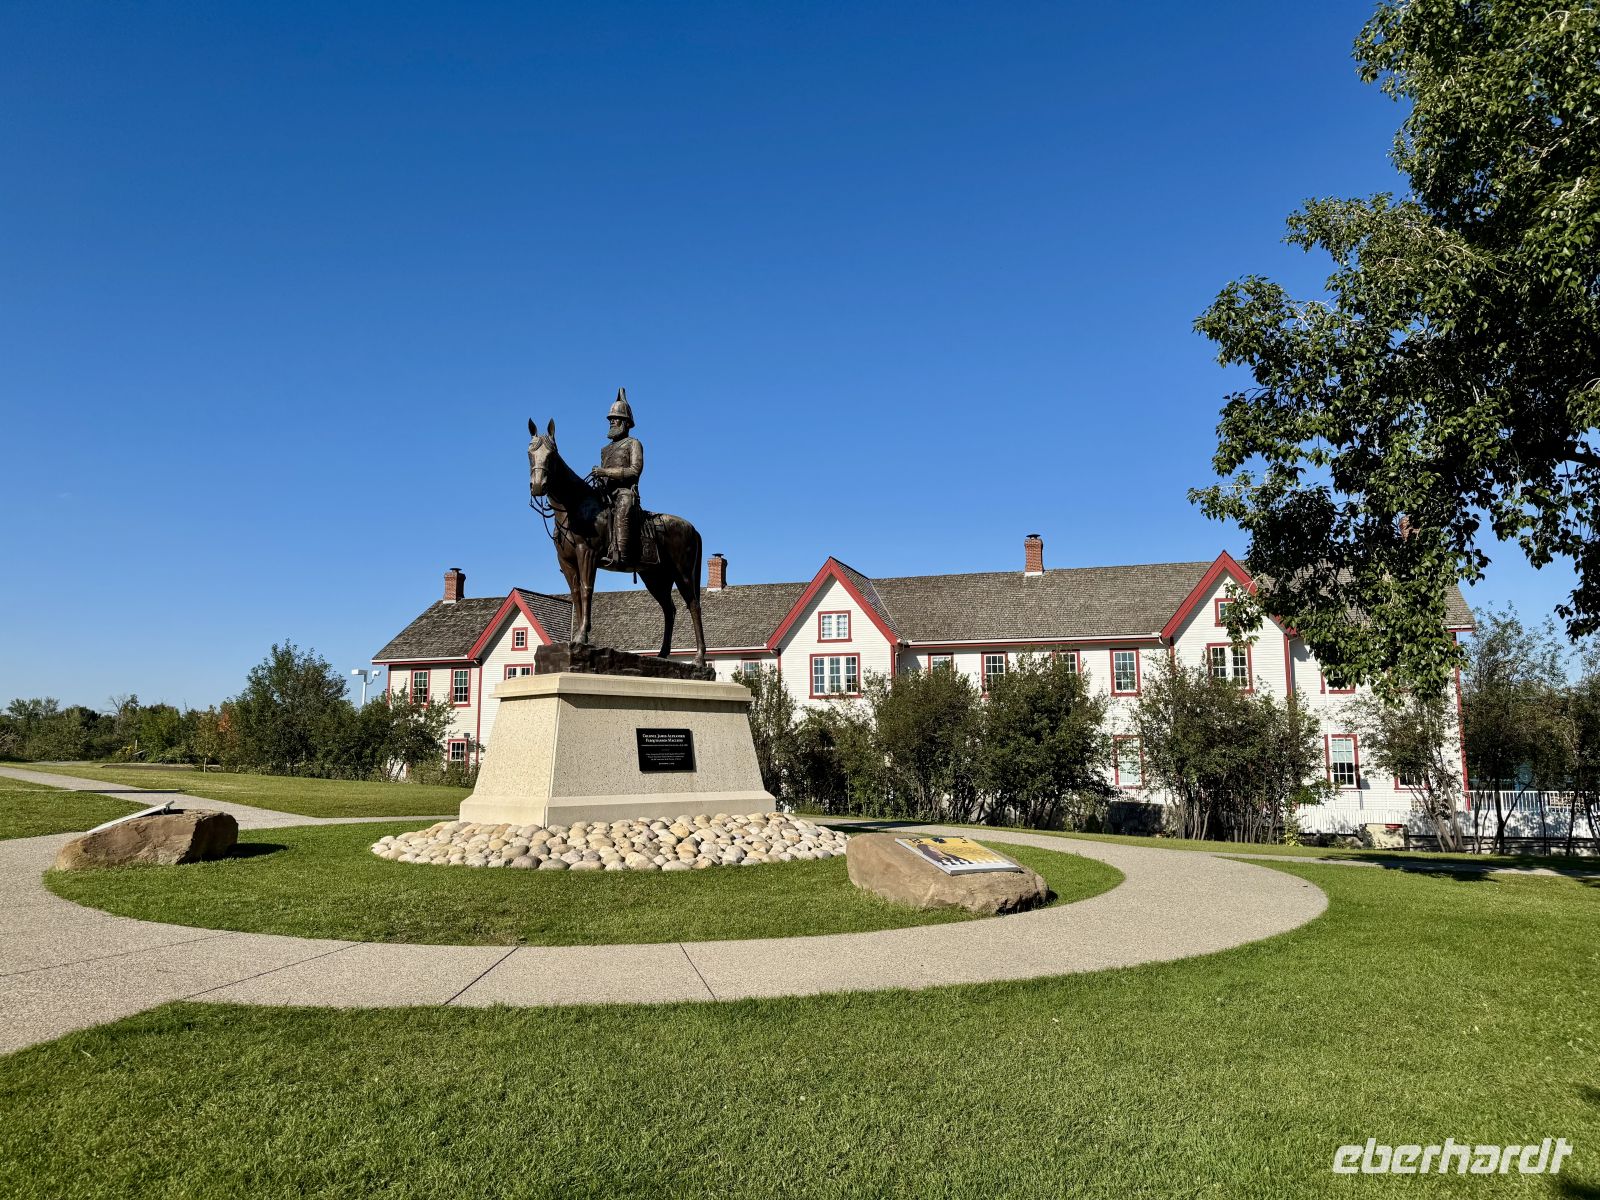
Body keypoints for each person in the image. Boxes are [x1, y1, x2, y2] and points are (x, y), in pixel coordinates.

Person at [592, 388, 643, 569]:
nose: (612, 421)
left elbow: (635, 470)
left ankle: (621, 553)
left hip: (624, 492)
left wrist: (606, 472)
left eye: (616, 419)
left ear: (626, 423)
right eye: (611, 419)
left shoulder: (633, 443)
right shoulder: (605, 449)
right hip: (606, 492)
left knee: (624, 504)